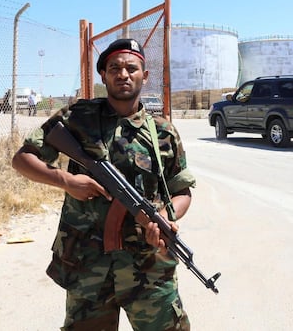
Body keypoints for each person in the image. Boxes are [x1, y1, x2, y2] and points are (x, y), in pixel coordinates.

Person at [12, 38, 196, 330]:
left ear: (144, 76)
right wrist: (67, 180)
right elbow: (22, 160)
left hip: (149, 268)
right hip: (89, 266)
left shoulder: (163, 132)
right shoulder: (78, 118)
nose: (123, 74)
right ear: (104, 75)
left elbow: (181, 190)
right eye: (115, 68)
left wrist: (165, 216)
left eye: (131, 68)